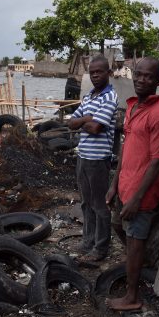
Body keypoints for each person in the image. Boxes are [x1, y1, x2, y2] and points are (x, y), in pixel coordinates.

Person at [106, 57, 159, 310]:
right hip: (125, 185)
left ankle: (132, 297)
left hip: (141, 195)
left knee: (134, 243)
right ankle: (142, 258)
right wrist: (114, 184)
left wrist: (136, 199)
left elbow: (157, 162)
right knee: (118, 226)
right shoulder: (133, 106)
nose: (142, 80)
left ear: (158, 81)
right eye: (139, 75)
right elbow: (125, 148)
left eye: (148, 77)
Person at [69, 55, 118, 262]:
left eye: (100, 71)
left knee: (99, 205)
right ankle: (88, 242)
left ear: (109, 73)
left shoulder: (110, 97)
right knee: (86, 203)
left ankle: (100, 248)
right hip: (83, 156)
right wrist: (86, 119)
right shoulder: (89, 97)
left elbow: (97, 128)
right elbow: (71, 122)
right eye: (92, 72)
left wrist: (86, 122)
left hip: (98, 160)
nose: (96, 75)